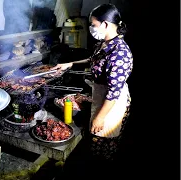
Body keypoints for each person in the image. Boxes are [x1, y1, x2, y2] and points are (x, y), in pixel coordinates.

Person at [52, 4, 133, 162]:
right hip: (101, 96)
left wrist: (100, 118)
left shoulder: (119, 53)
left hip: (112, 105)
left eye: (93, 24)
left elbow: (113, 92)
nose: (91, 28)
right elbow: (94, 59)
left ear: (105, 24)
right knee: (95, 139)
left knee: (102, 141)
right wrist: (71, 64)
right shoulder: (106, 43)